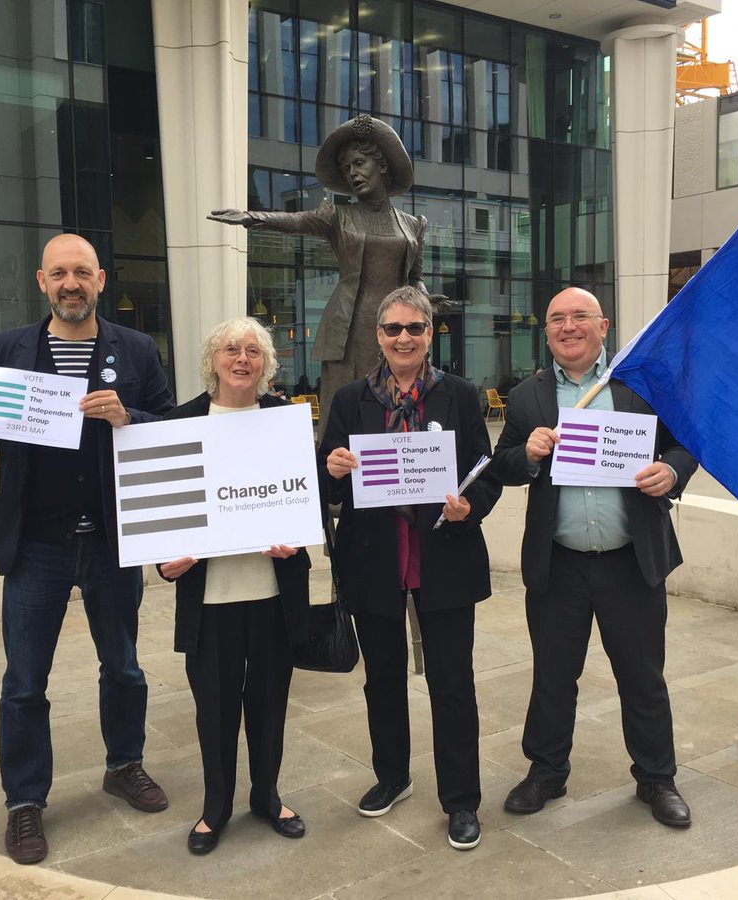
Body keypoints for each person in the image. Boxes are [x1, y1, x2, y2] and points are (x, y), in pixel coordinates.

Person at [0, 234, 175, 864]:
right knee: (23, 683)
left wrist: (129, 417)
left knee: (123, 667)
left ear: (100, 279)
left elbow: (168, 428)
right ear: (42, 282)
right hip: (36, 544)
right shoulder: (6, 349)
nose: (71, 284)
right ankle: (24, 802)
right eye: (59, 274)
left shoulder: (136, 349)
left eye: (82, 273)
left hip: (110, 539)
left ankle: (124, 764)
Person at [491, 287, 698, 828]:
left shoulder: (638, 384)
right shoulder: (528, 397)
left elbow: (685, 443)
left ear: (603, 326)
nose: (567, 327)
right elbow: (504, 462)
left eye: (579, 316)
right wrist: (527, 454)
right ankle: (546, 770)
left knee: (642, 674)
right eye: (556, 318)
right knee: (554, 675)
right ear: (547, 331)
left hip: (631, 559)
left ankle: (657, 776)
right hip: (558, 562)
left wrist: (671, 472)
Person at [320, 286, 501, 851]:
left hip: (442, 558)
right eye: (393, 329)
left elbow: (484, 467)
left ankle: (461, 800)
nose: (403, 339)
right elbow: (326, 480)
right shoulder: (351, 399)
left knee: (452, 684)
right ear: (379, 336)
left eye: (414, 329)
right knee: (383, 681)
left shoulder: (459, 395)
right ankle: (392, 776)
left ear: (430, 334)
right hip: (374, 559)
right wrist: (334, 467)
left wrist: (471, 505)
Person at [157, 317, 312, 855]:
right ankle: (216, 806)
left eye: (253, 351)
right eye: (231, 349)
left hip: (272, 594)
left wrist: (295, 538)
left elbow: (303, 497)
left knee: (270, 706)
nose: (241, 359)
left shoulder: (285, 422)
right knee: (215, 710)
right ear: (213, 361)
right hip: (211, 599)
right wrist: (164, 563)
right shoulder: (180, 423)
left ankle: (266, 796)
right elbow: (164, 516)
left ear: (265, 365)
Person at [209, 114, 427, 430]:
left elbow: (415, 279)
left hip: (397, 329)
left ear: (382, 165)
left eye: (360, 163)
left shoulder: (413, 225)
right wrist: (251, 217)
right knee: (342, 412)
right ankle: (330, 472)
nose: (353, 173)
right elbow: (296, 221)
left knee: (398, 405)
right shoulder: (336, 216)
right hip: (349, 328)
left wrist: (426, 302)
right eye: (347, 168)